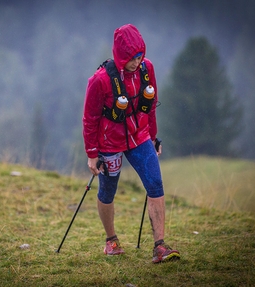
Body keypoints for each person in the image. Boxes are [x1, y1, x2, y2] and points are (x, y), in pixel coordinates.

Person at [82, 24, 180, 263]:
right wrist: (92, 153)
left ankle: (160, 247)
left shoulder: (148, 70)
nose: (137, 62)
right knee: (107, 191)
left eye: (139, 56)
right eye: (131, 58)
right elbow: (90, 118)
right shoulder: (100, 81)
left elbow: (151, 105)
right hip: (109, 143)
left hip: (140, 137)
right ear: (120, 55)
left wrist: (154, 137)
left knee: (155, 184)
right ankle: (111, 241)